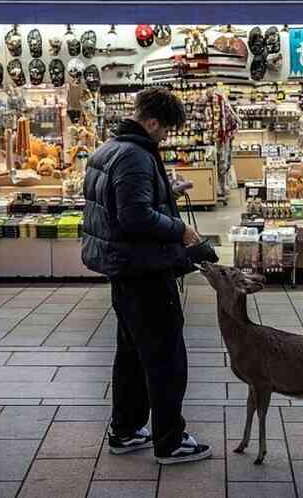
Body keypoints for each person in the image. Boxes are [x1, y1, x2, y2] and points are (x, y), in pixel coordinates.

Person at [81, 87, 212, 465]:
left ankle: (124, 430)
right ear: (151, 121)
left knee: (132, 354)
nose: (167, 136)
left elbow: (120, 203)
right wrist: (179, 229)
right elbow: (134, 216)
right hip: (144, 270)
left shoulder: (110, 149)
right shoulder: (136, 155)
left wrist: (166, 191)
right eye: (166, 129)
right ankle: (170, 441)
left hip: (123, 269)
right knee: (166, 356)